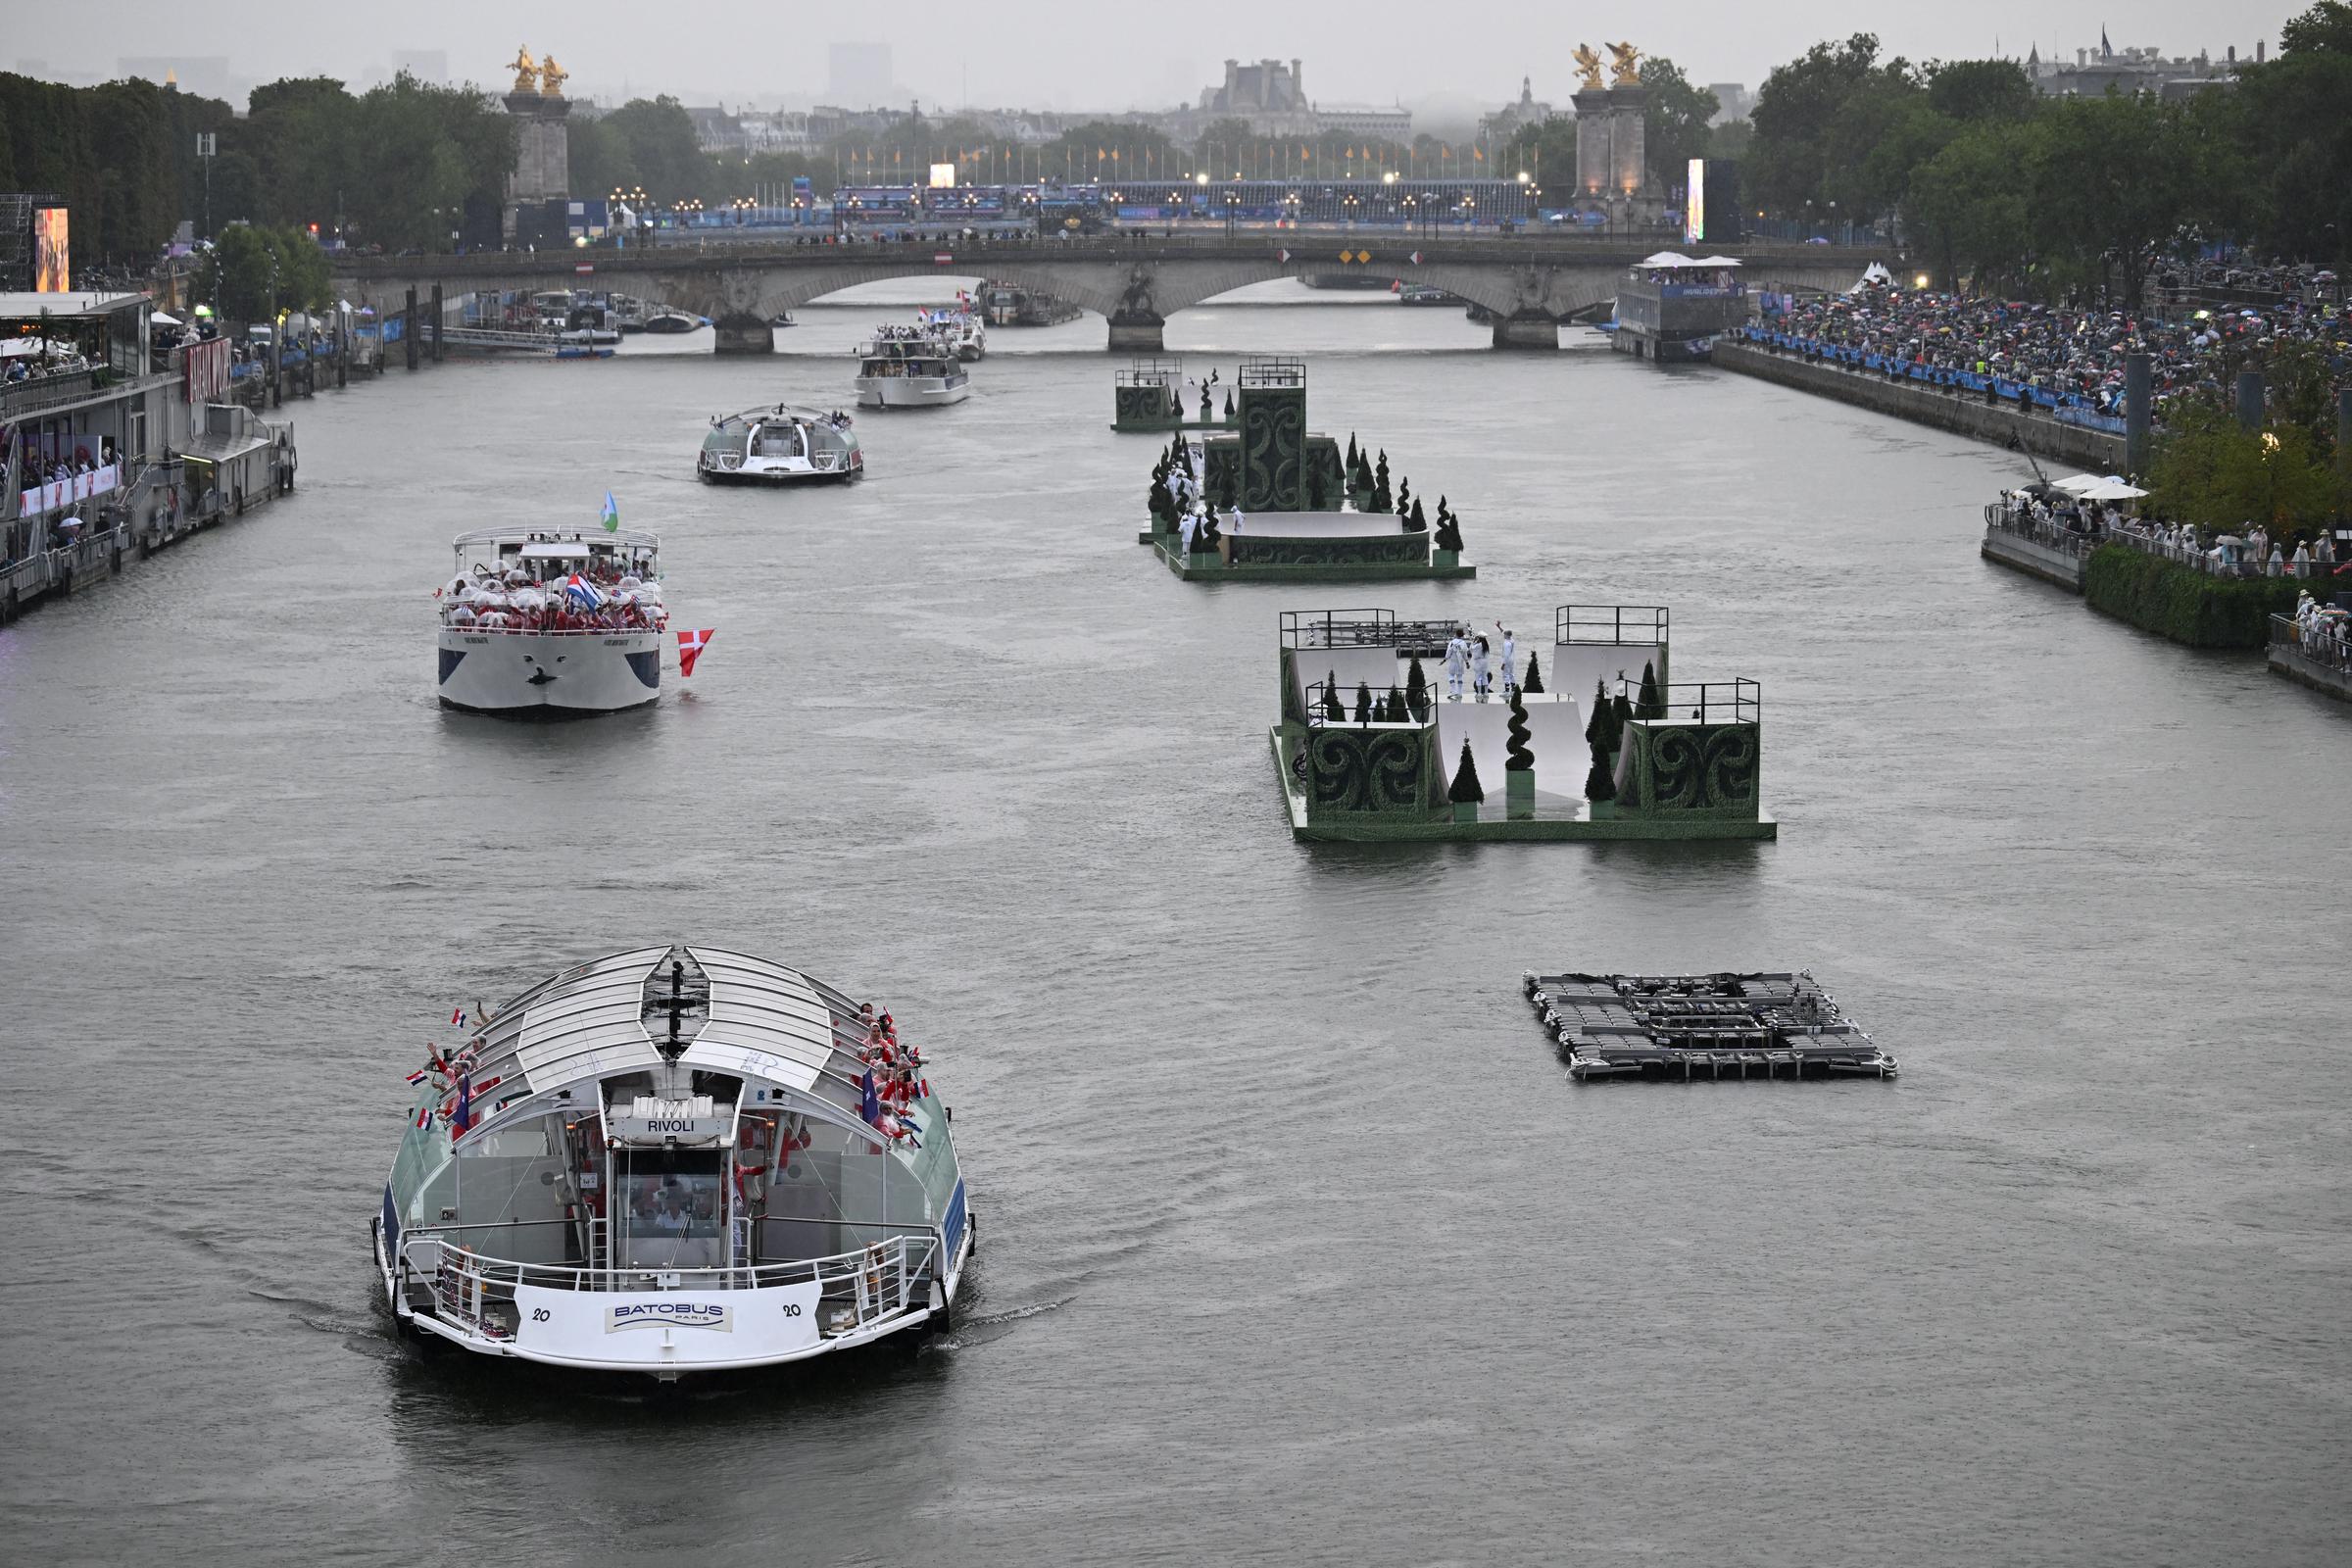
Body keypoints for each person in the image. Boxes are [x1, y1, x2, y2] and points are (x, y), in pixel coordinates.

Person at [1445, 628, 1467, 701]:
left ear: (1456, 634)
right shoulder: (1463, 643)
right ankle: (1460, 693)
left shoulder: (1452, 642)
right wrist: (1467, 662)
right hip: (1460, 662)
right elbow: (1465, 653)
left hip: (1453, 661)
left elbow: (1449, 651)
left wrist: (1445, 658)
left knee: (1451, 675)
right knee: (1460, 676)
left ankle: (1453, 690)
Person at [1472, 635, 1492, 701]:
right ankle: (1486, 693)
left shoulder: (1478, 645)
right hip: (1485, 662)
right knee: (1484, 677)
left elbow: (1471, 648)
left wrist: (1474, 641)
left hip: (1478, 662)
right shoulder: (1486, 645)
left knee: (1478, 677)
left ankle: (1479, 693)